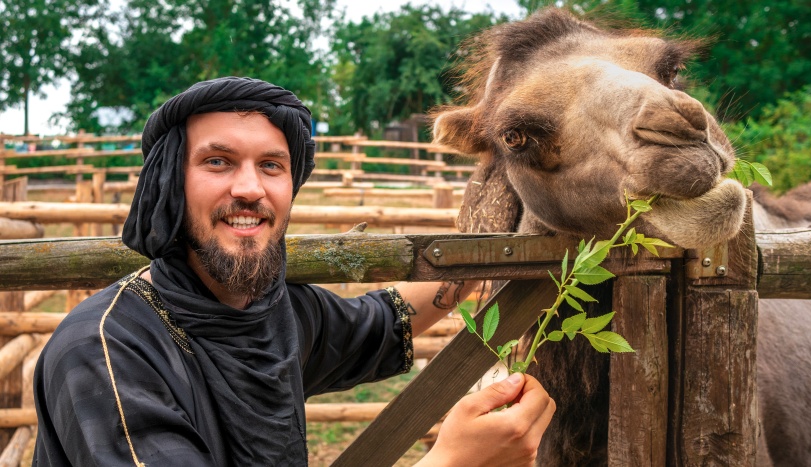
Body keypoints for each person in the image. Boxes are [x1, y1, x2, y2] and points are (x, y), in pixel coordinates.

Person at [32, 77, 555, 466]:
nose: (250, 188)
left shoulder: (272, 311)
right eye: (218, 162)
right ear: (169, 182)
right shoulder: (105, 354)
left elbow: (380, 323)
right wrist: (446, 463)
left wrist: (480, 249)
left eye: (271, 165)